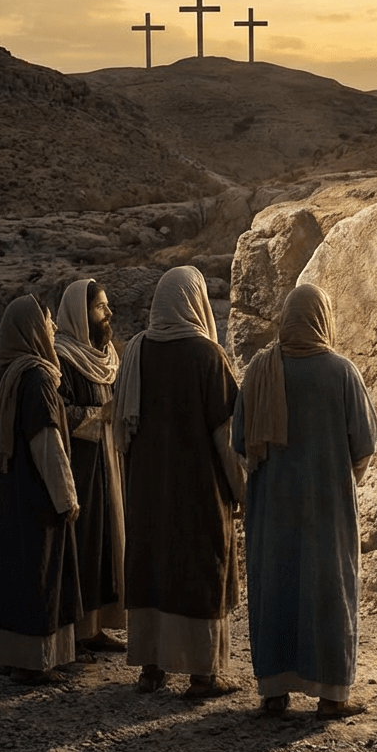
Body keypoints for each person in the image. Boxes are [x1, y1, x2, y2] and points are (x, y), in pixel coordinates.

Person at [233, 283, 377, 719]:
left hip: (272, 508)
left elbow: (241, 441)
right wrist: (341, 480)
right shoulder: (342, 372)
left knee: (275, 586)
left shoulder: (260, 369)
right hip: (327, 508)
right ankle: (332, 695)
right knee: (328, 590)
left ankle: (274, 692)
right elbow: (365, 444)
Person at [113, 265, 243, 698]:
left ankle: (151, 669)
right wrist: (240, 490)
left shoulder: (136, 351)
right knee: (199, 569)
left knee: (153, 566)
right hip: (198, 491)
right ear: (196, 301)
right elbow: (226, 437)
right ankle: (203, 674)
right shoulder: (209, 357)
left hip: (148, 490)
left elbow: (123, 427)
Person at [0, 295, 81, 685]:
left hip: (6, 493)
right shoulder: (35, 377)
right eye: (48, 321)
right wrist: (66, 497)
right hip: (34, 496)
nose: (53, 328)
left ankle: (10, 654)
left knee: (10, 571)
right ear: (32, 327)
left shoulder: (1, 371)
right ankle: (34, 662)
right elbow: (46, 443)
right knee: (38, 573)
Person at [55, 278, 125, 656]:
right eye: (100, 306)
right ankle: (76, 628)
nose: (108, 313)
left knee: (106, 541)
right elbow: (56, 413)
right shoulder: (62, 358)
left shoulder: (108, 357)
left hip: (109, 465)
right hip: (79, 468)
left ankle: (96, 626)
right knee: (84, 543)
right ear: (81, 315)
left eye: (107, 304)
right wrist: (100, 418)